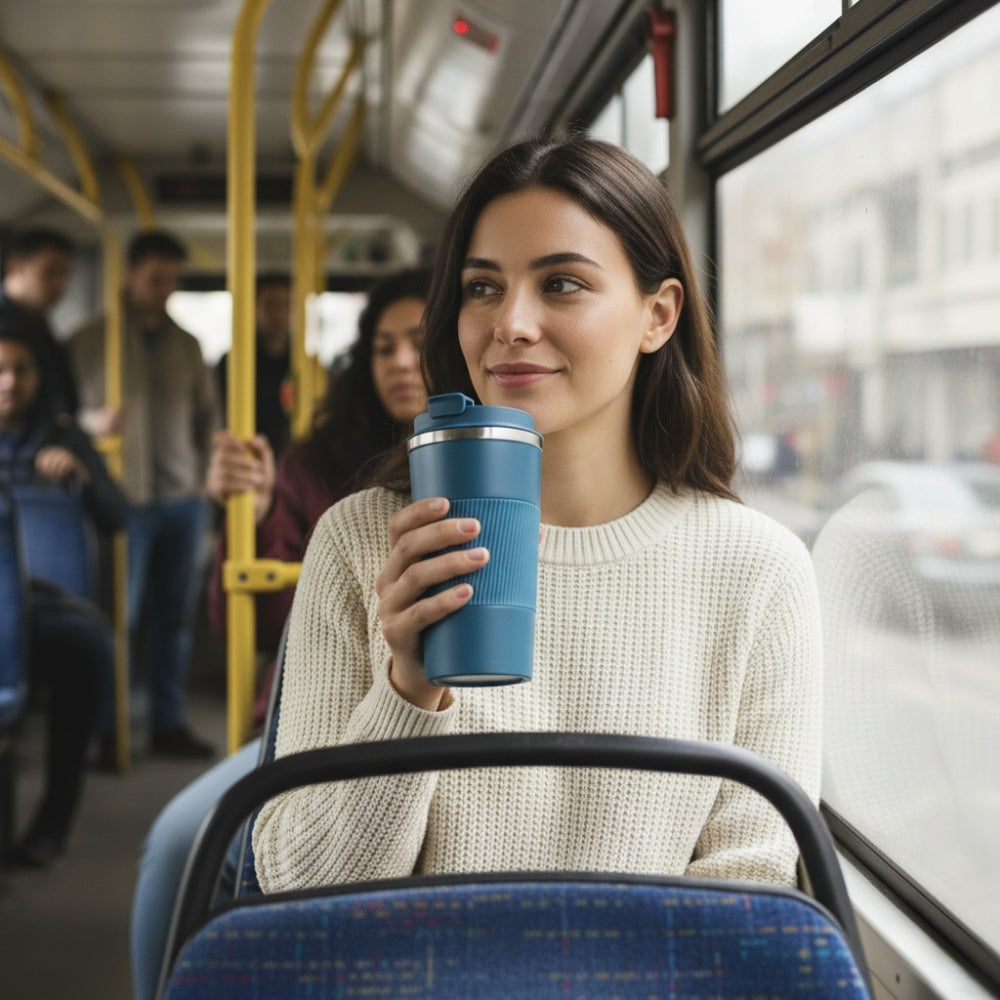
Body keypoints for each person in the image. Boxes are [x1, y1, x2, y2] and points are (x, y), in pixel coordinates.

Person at [251, 135, 823, 895]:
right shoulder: (364, 541)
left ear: (659, 316)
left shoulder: (758, 570)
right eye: (482, 288)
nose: (510, 323)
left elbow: (747, 903)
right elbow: (299, 889)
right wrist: (408, 688)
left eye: (561, 285)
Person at [128, 267, 431, 1000]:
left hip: (446, 717)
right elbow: (257, 622)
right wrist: (259, 516)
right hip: (309, 718)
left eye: (418, 344)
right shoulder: (318, 466)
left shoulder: (509, 472)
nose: (398, 362)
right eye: (383, 346)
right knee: (180, 844)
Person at [69, 229, 221, 760]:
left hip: (183, 496)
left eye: (172, 281)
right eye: (156, 279)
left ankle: (167, 720)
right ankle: (109, 728)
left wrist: (205, 473)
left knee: (173, 619)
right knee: (120, 620)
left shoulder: (188, 345)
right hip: (122, 498)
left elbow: (208, 418)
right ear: (130, 275)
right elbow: (65, 421)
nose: (164, 290)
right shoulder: (89, 342)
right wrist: (92, 422)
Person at [0, 323, 128, 867]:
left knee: (82, 647)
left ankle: (53, 820)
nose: (8, 381)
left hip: (42, 597)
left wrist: (80, 473)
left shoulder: (64, 438)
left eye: (20, 369)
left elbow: (117, 515)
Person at [0, 227, 78, 418]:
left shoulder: (37, 319)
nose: (59, 285)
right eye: (49, 272)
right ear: (15, 268)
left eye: (64, 275)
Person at [214, 272, 293, 461]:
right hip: (247, 461)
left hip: (292, 464)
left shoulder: (304, 365)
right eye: (271, 305)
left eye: (285, 305)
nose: (279, 314)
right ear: (256, 310)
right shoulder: (232, 363)